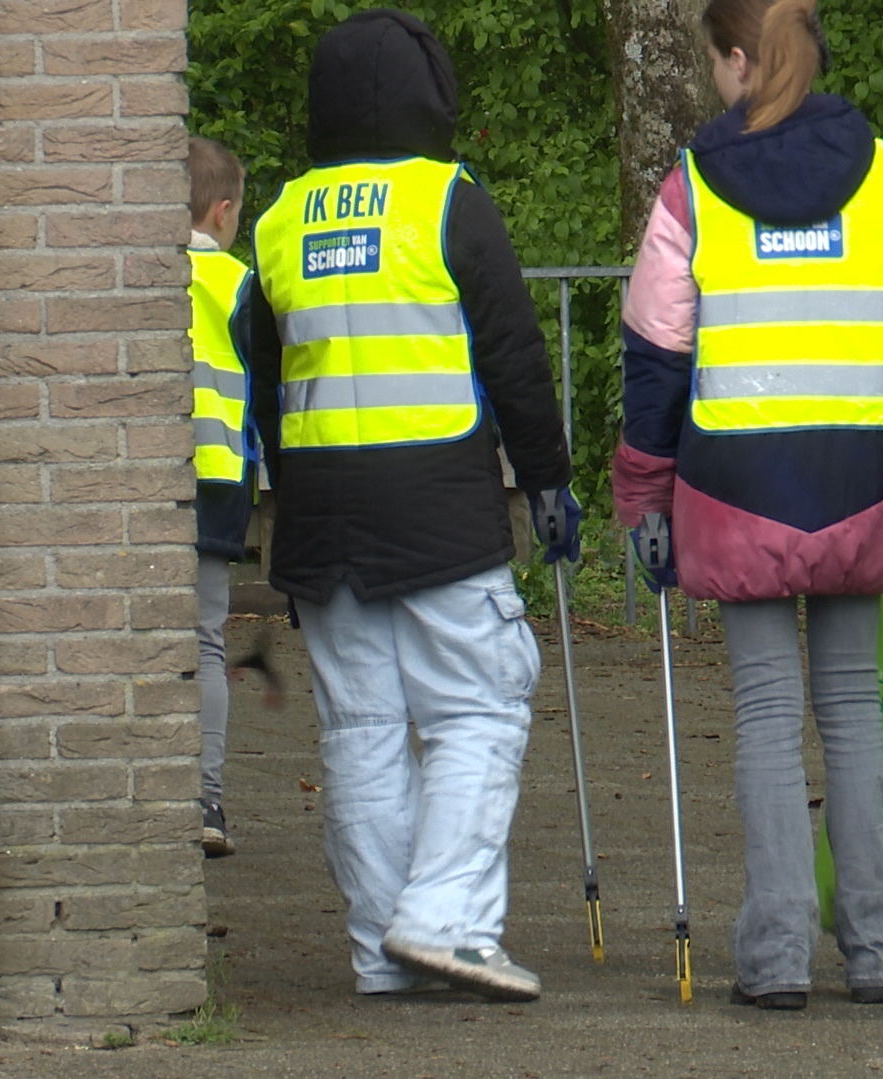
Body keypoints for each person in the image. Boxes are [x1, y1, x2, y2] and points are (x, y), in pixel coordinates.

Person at [613, 0, 883, 1010]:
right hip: (860, 479)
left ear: (735, 60)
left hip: (733, 481)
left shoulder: (692, 188)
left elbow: (654, 359)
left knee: (768, 716)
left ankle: (774, 957)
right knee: (854, 712)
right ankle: (879, 948)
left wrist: (641, 491)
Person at [243, 10, 576, 1002]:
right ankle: (446, 923)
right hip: (437, 509)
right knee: (479, 704)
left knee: (362, 732)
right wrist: (548, 478)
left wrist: (285, 509)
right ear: (433, 97)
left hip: (321, 518)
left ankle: (381, 946)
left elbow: (268, 391)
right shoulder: (448, 202)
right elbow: (512, 355)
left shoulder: (279, 219)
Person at [186, 135, 258, 858]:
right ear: (223, 209)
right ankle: (205, 796)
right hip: (214, 482)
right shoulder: (237, 285)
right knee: (206, 643)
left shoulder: (133, 274)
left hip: (142, 484)